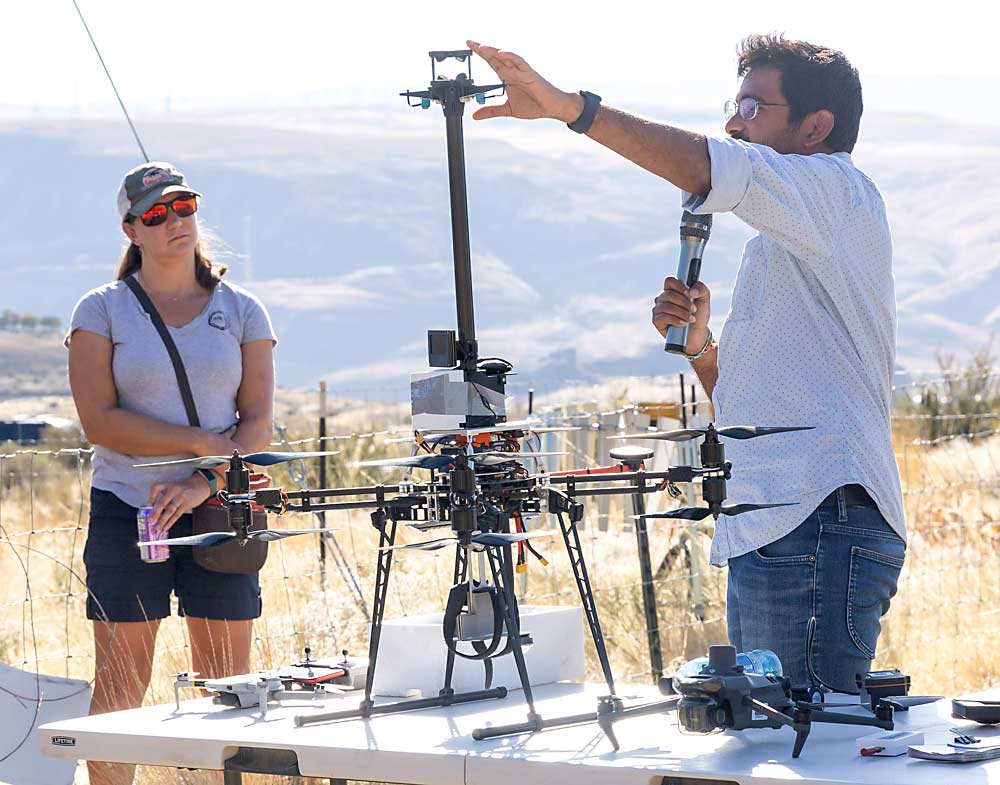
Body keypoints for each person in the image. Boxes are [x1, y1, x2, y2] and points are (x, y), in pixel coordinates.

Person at [468, 35, 905, 695]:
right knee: (779, 738)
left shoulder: (836, 191)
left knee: (807, 747)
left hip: (816, 523)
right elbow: (746, 403)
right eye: (733, 105)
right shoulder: (779, 244)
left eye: (755, 107)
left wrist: (569, 108)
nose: (734, 122)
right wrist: (701, 345)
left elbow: (710, 166)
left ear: (817, 127)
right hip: (785, 525)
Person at [66, 162, 276, 785]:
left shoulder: (242, 310)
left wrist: (202, 480)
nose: (174, 221)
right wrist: (203, 443)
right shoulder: (101, 309)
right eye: (155, 215)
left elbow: (260, 423)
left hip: (219, 511)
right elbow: (100, 423)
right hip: (130, 508)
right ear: (132, 229)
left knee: (229, 688)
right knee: (123, 689)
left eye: (182, 207)